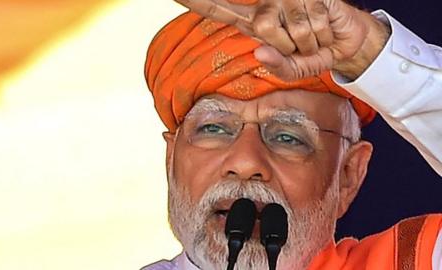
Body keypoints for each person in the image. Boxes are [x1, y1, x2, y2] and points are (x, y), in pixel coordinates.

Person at [142, 0, 442, 269]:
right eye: (214, 128)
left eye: (288, 137)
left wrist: (372, 56)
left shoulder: (412, 259)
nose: (246, 163)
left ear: (348, 176)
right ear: (171, 162)